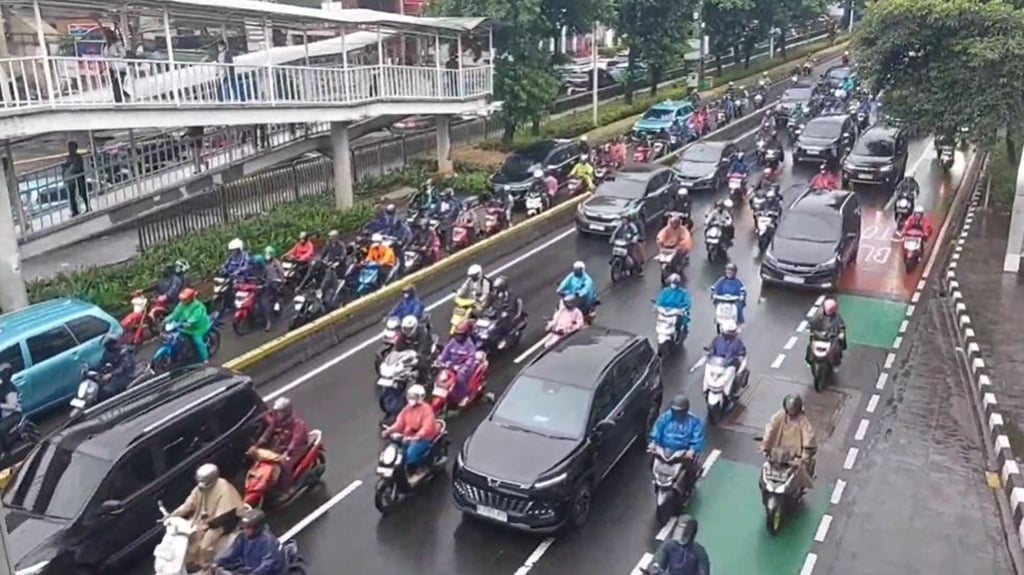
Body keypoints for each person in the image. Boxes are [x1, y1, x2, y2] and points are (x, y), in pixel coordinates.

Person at [171, 463, 246, 570]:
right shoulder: (201, 489)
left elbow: (224, 512)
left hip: (222, 523)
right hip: (204, 520)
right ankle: (193, 562)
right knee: (191, 539)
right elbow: (189, 504)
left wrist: (208, 523)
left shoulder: (224, 487)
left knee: (204, 545)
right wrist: (174, 514)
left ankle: (206, 566)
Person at [760, 394, 817, 493]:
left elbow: (808, 436)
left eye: (794, 409)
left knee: (802, 471)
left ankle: (800, 489)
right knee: (766, 467)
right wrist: (765, 444)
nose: (791, 412)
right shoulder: (780, 416)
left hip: (795, 456)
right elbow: (771, 429)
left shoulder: (802, 421)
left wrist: (805, 454)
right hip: (778, 452)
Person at [253, 397, 310, 493]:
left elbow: (295, 441)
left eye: (280, 412)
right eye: (277, 412)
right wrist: (257, 444)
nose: (277, 414)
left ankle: (288, 488)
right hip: (280, 447)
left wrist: (287, 453)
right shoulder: (277, 421)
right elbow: (268, 432)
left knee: (285, 464)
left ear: (286, 412)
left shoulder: (298, 425)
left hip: (295, 450)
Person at [381, 384, 440, 471]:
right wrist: (389, 431)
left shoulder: (426, 410)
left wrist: (418, 436)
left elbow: (427, 427)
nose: (411, 398)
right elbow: (399, 424)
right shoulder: (407, 409)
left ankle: (415, 470)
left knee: (410, 454)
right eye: (410, 396)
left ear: (420, 397)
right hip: (407, 436)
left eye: (414, 396)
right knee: (394, 450)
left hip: (422, 438)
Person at [210, 508, 286, 575]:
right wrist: (217, 562)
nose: (245, 530)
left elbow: (268, 564)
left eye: (248, 528)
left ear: (257, 528)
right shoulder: (244, 537)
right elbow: (232, 551)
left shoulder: (268, 541)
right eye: (245, 527)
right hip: (252, 569)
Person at [437, 321, 480, 406]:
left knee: (460, 378)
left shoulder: (469, 344)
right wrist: (440, 361)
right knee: (441, 376)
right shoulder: (452, 342)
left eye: (460, 335)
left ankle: (462, 396)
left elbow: (471, 358)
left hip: (464, 368)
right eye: (457, 334)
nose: (458, 336)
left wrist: (464, 367)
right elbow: (445, 352)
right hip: (452, 365)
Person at [165, 288, 211, 362]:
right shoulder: (181, 305)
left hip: (197, 328)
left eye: (184, 300)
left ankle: (205, 358)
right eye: (181, 299)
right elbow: (175, 314)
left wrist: (188, 322)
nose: (182, 301)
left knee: (197, 341)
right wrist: (167, 320)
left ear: (190, 299)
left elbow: (195, 317)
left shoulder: (198, 306)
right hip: (184, 326)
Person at [706, 320, 747, 394]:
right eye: (728, 331)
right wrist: (709, 353)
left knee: (736, 376)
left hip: (730, 365)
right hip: (717, 365)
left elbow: (742, 352)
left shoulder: (737, 342)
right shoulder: (717, 340)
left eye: (731, 332)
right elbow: (712, 349)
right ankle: (706, 389)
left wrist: (739, 357)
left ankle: (735, 390)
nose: (729, 334)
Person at [807, 297, 847, 366]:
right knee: (810, 347)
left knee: (836, 349)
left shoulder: (837, 317)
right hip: (819, 336)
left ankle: (836, 363)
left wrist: (841, 333)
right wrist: (810, 327)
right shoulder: (819, 315)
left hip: (831, 337)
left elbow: (841, 325)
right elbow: (812, 322)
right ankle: (809, 361)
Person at [98, 335, 136, 400]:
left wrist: (111, 374)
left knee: (107, 390)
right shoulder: (109, 353)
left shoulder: (124, 352)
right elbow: (103, 362)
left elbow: (124, 367)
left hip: (126, 375)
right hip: (116, 376)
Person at [62, 141, 90, 217]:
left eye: (71, 147)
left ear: (75, 148)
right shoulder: (68, 157)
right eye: (69, 147)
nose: (70, 149)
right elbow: (65, 168)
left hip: (79, 177)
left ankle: (88, 207)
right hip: (70, 179)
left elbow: (78, 167)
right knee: (71, 195)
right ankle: (75, 211)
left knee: (82, 193)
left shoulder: (78, 157)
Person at [101, 27, 129, 103]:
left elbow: (123, 53)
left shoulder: (117, 44)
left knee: (118, 84)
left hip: (119, 67)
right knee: (114, 85)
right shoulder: (107, 45)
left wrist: (115, 55)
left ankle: (121, 99)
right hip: (112, 67)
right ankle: (118, 99)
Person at [0, 364, 22, 455]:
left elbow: (12, 406)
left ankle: (6, 450)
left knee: (0, 428)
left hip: (13, 415)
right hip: (4, 415)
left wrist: (0, 405)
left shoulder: (10, 387)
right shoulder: (2, 386)